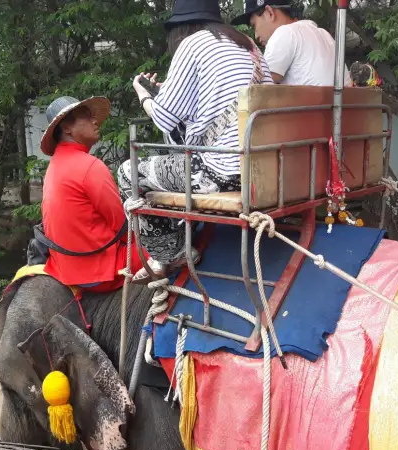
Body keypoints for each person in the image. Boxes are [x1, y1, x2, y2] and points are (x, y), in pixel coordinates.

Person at [119, 0, 273, 283]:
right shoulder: (248, 44)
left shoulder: (192, 44)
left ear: (181, 28)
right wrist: (168, 90)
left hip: (222, 174)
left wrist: (144, 94)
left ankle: (171, 252)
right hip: (263, 167)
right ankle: (169, 247)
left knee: (128, 173)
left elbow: (165, 120)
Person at [37, 95, 140, 293]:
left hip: (65, 268)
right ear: (66, 128)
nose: (94, 120)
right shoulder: (90, 166)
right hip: (96, 271)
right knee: (167, 251)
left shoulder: (55, 164)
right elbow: (122, 228)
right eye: (86, 116)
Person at [231, 1, 351, 87]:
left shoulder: (284, 33)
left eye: (254, 25)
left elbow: (260, 90)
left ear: (269, 12)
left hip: (310, 119)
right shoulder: (324, 35)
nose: (256, 35)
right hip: (342, 118)